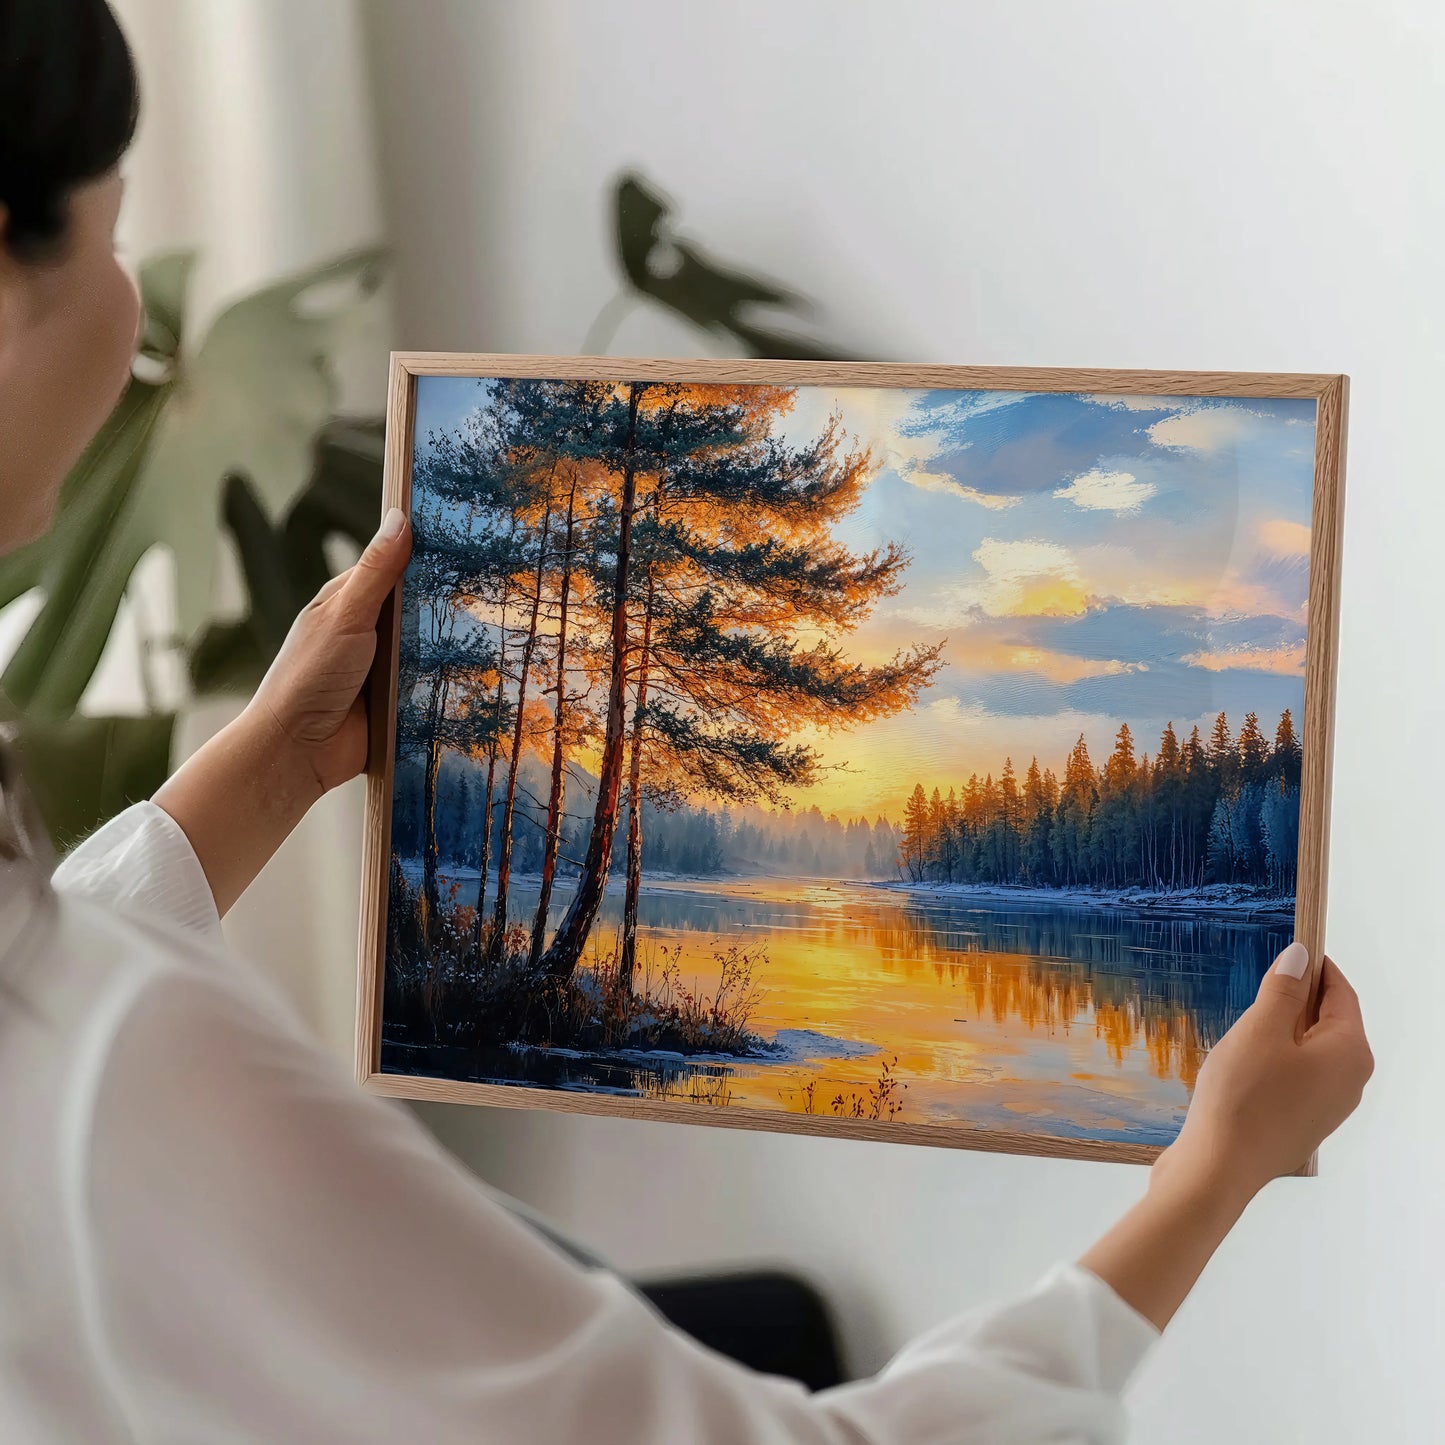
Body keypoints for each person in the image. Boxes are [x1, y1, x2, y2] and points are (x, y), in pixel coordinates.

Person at [0, 3, 1373, 1440]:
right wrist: (1209, 1168)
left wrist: (276, 760)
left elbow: (60, 969)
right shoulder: (123, 1078)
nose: (133, 303)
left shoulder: (84, 1035)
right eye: (109, 235)